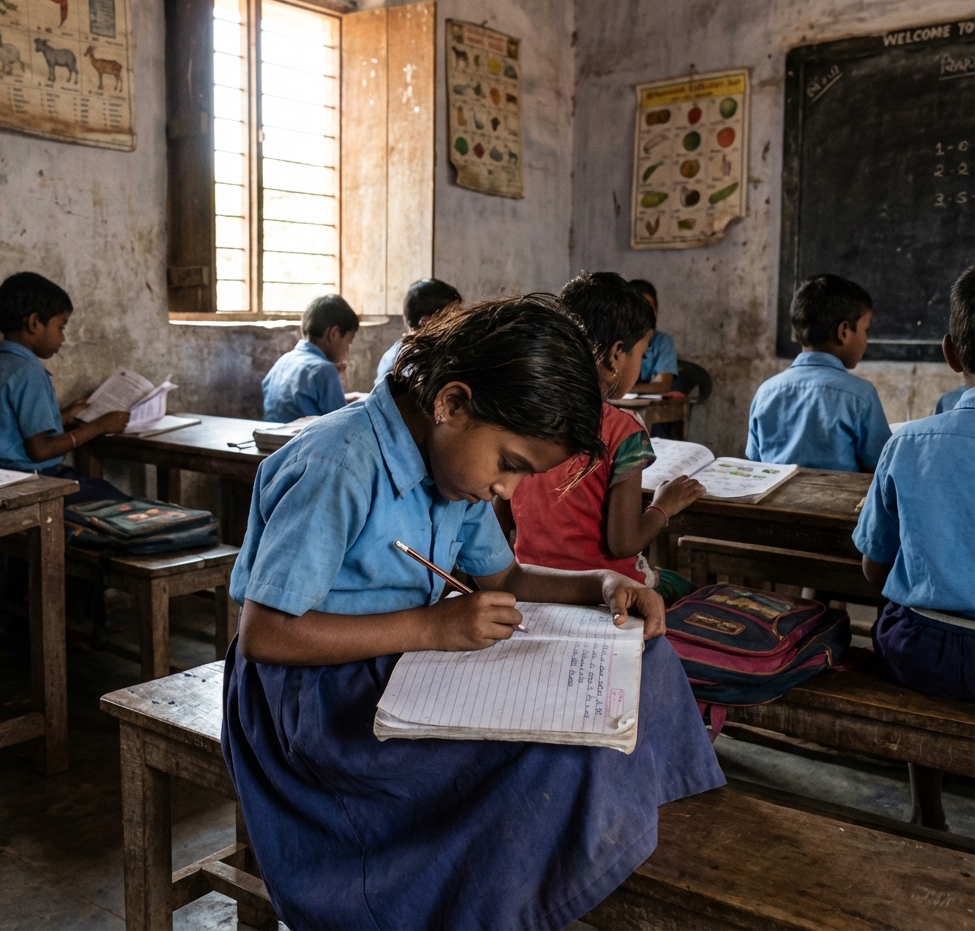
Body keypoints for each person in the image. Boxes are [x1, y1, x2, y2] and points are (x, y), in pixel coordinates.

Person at [222, 296, 724, 930]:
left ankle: (594, 861)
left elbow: (507, 576)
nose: (505, 492)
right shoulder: (339, 464)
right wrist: (432, 626)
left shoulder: (454, 468)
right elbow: (266, 634)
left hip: (400, 667)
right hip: (311, 699)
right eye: (510, 467)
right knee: (551, 756)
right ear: (452, 403)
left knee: (642, 657)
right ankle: (476, 904)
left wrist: (598, 584)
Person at [853, 266, 974, 830]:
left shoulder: (909, 445)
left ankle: (928, 809)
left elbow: (874, 570)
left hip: (922, 653)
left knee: (897, 612)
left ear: (951, 352)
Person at [499, 272, 704, 606]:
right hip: (609, 592)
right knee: (690, 590)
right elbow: (623, 544)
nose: (638, 363)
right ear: (615, 355)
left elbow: (502, 518)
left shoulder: (525, 421)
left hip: (534, 586)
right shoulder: (623, 431)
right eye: (640, 354)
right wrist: (664, 505)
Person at [0, 272, 129, 501]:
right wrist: (100, 425)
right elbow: (41, 450)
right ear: (35, 323)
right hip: (35, 480)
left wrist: (63, 417)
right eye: (61, 327)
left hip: (0, 479)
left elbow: (13, 429)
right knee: (121, 504)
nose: (63, 338)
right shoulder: (29, 371)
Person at [746, 274, 890, 472]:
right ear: (844, 332)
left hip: (774, 502)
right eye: (866, 330)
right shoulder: (860, 395)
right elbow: (882, 466)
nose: (866, 340)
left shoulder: (766, 392)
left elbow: (754, 462)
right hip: (839, 503)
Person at [262, 294, 362, 422]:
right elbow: (339, 424)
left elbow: (297, 402)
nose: (348, 349)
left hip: (270, 439)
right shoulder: (325, 370)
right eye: (349, 341)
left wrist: (345, 398)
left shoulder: (283, 362)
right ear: (334, 334)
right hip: (304, 441)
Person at [374, 278, 462, 386]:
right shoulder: (407, 360)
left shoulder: (436, 352)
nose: (458, 323)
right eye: (451, 317)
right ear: (426, 322)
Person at [628, 279, 677, 394]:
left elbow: (663, 385)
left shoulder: (663, 341)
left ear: (657, 310)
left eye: (650, 308)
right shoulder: (615, 341)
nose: (646, 315)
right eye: (639, 308)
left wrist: (627, 391)